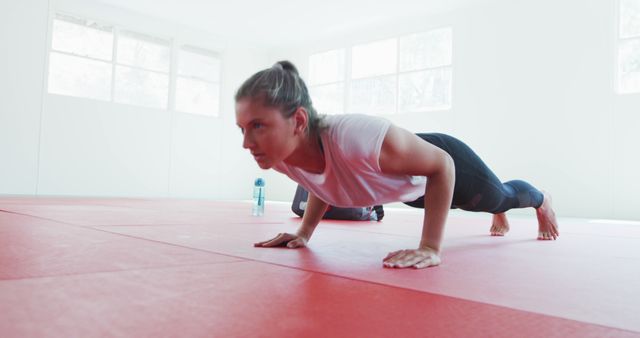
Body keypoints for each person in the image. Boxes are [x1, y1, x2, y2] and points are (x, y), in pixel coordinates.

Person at [235, 60, 559, 269]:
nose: (247, 143)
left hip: (444, 161)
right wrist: (304, 232)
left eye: (258, 127)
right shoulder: (281, 157)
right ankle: (495, 208)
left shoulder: (354, 136)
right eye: (243, 129)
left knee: (499, 196)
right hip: (406, 184)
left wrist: (430, 247)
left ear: (298, 121)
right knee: (471, 202)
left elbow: (442, 165)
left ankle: (541, 200)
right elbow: (321, 178)